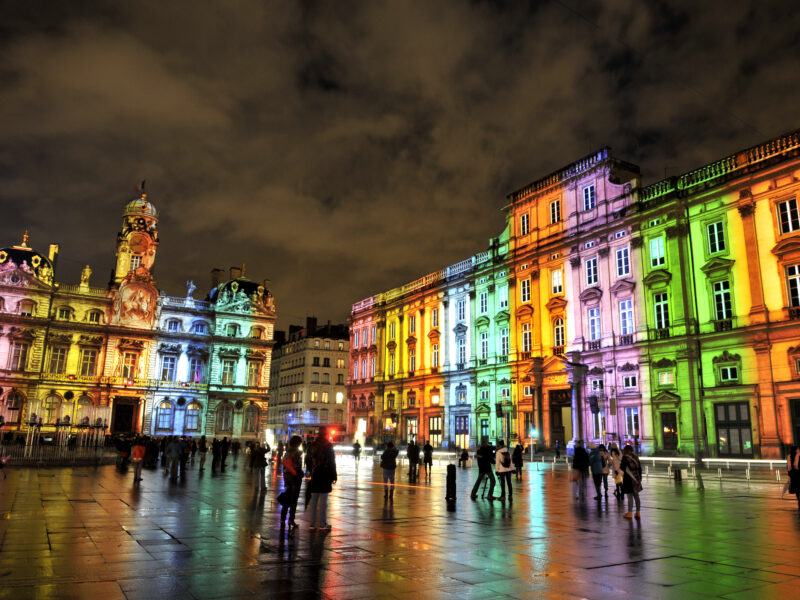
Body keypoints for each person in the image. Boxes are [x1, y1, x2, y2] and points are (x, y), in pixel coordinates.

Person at [308, 427, 337, 530]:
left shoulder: (312, 445)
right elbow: (332, 462)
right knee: (323, 501)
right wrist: (334, 476)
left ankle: (311, 524)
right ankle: (322, 524)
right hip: (325, 475)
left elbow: (308, 460)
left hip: (315, 475)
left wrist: (310, 471)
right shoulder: (328, 446)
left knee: (314, 500)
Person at [280, 436, 304, 532]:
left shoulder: (287, 451)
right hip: (294, 478)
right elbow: (297, 466)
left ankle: (282, 518)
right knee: (294, 500)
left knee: (287, 497)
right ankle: (291, 520)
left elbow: (284, 465)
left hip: (287, 477)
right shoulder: (296, 453)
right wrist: (300, 473)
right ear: (298, 443)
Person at [620, 444, 643, 519]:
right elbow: (640, 468)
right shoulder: (636, 457)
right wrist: (640, 478)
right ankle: (638, 512)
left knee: (630, 496)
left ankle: (630, 513)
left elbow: (622, 468)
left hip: (628, 478)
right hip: (636, 477)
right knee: (636, 495)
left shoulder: (625, 457)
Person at [787, 445, 800, 510]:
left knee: (797, 488)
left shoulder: (789, 456)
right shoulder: (798, 454)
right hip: (797, 473)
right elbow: (796, 465)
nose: (798, 450)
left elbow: (789, 467)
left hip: (793, 474)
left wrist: (790, 474)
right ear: (796, 450)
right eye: (798, 449)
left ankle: (798, 500)